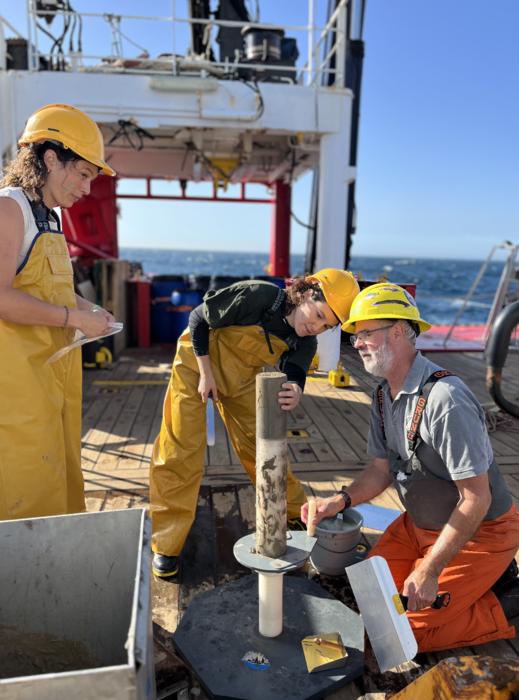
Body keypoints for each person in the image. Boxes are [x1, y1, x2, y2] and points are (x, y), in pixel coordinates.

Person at [302, 282, 519, 652]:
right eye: (355, 335)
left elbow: (476, 499)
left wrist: (430, 570)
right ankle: (477, 583)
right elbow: (380, 471)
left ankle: (507, 601)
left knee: (405, 636)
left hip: (480, 532)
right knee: (369, 594)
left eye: (366, 333)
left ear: (400, 331)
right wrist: (337, 501)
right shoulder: (383, 394)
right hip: (417, 525)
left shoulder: (446, 400)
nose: (357, 343)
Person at [150, 269, 360, 578]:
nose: (314, 325)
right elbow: (198, 319)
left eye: (325, 325)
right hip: (197, 365)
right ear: (306, 291)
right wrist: (206, 374)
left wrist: (295, 390)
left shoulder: (305, 342)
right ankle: (165, 544)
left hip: (242, 379)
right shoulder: (259, 296)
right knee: (180, 448)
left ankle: (296, 513)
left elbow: (296, 373)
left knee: (263, 445)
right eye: (317, 314)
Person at [0, 103, 116, 520]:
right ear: (50, 159)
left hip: (48, 385)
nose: (87, 188)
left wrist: (94, 313)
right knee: (22, 500)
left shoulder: (49, 219)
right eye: (83, 174)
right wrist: (74, 321)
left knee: (54, 491)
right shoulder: (9, 208)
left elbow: (56, 291)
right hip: (13, 394)